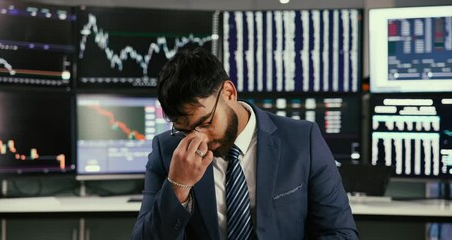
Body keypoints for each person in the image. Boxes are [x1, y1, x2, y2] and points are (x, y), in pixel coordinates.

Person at [131, 47, 359, 240]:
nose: (200, 140)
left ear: (229, 93)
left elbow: (340, 233)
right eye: (184, 130)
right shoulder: (167, 150)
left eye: (206, 122)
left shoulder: (302, 140)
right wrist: (178, 186)